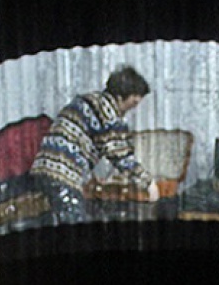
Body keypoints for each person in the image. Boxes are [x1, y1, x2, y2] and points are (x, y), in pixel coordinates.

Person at [30, 65, 159, 224]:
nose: (133, 108)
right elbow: (119, 154)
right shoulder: (108, 113)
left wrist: (91, 177)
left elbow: (79, 139)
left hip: (43, 169)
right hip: (63, 175)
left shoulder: (87, 101)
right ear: (120, 97)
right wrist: (148, 182)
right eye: (133, 102)